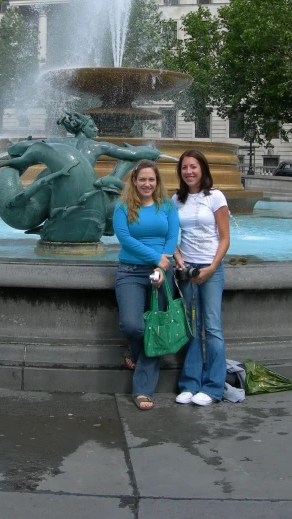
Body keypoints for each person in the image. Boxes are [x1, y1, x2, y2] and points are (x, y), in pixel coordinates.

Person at [113, 160, 179, 411]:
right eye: (143, 179)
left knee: (154, 330)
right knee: (133, 326)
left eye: (151, 179)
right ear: (134, 181)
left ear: (157, 181)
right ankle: (132, 349)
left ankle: (143, 389)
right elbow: (125, 239)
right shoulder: (123, 206)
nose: (147, 184)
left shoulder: (166, 205)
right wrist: (156, 259)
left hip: (160, 273)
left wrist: (162, 267)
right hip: (130, 272)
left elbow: (172, 237)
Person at [172, 149, 230, 407]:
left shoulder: (215, 196)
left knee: (212, 327)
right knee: (191, 328)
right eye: (185, 167)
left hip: (211, 268)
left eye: (193, 167)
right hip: (187, 269)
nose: (189, 172)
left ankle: (214, 387)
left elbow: (225, 237)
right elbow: (170, 236)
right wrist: (177, 257)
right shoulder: (176, 200)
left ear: (203, 169)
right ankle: (190, 383)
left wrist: (212, 267)